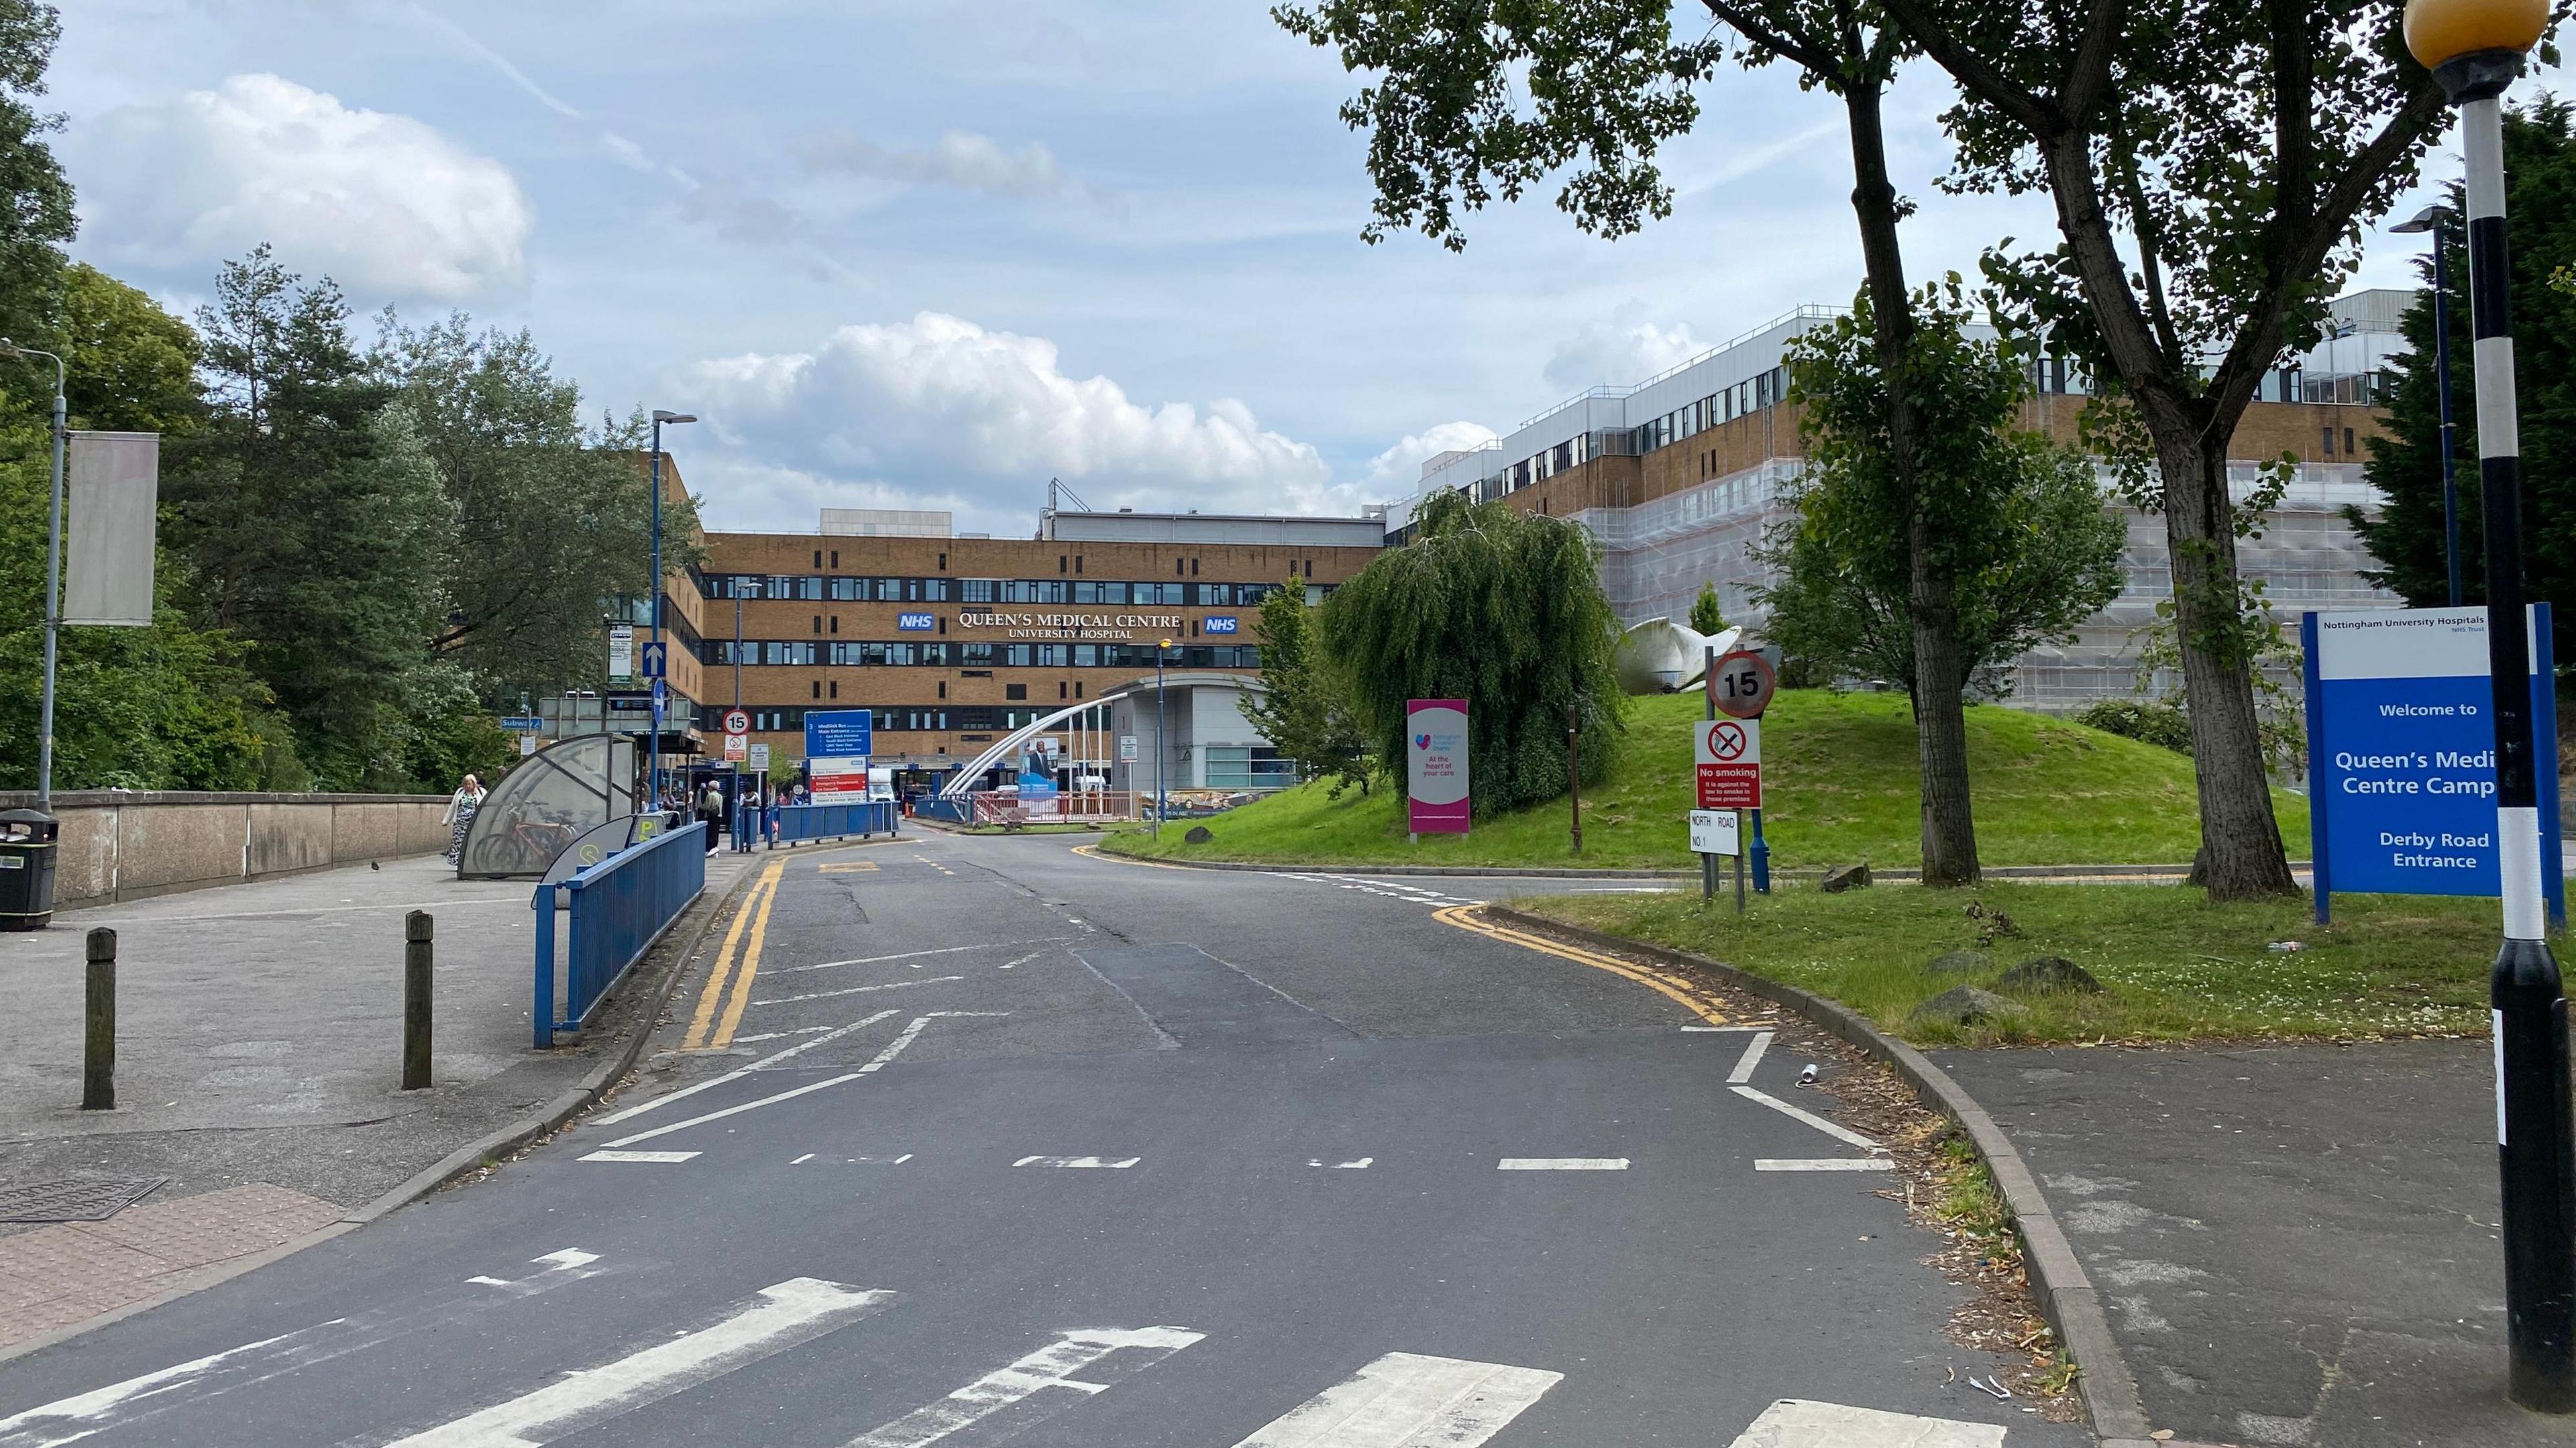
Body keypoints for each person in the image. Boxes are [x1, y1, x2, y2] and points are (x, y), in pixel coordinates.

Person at [442, 774, 485, 867]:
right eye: (465, 784)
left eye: (469, 784)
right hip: (460, 823)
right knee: (458, 842)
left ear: (474, 784)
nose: (467, 786)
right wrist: (446, 820)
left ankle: (473, 861)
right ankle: (458, 863)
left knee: (473, 842)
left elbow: (487, 805)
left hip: (474, 823)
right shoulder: (460, 792)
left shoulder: (481, 792)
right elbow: (453, 807)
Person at [698, 780, 727, 854]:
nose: (708, 788)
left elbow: (706, 806)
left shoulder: (710, 796)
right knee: (716, 833)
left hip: (711, 816)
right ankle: (715, 847)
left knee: (710, 833)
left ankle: (710, 848)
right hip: (718, 815)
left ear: (712, 787)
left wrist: (700, 807)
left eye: (709, 786)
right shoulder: (720, 796)